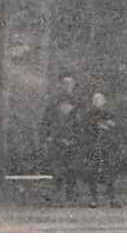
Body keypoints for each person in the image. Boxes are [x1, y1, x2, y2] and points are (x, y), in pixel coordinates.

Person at [42, 71, 84, 205]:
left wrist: (79, 136)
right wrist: (47, 136)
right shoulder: (54, 102)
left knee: (72, 168)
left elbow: (82, 121)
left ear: (74, 84)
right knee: (57, 169)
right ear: (60, 85)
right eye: (64, 83)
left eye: (70, 83)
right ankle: (57, 198)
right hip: (57, 139)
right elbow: (46, 120)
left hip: (74, 139)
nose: (67, 86)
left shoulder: (79, 101)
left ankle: (72, 197)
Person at [83, 90, 121, 207]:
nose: (97, 102)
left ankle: (112, 198)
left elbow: (116, 127)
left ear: (104, 101)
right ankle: (94, 198)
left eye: (99, 99)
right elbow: (85, 129)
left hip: (107, 146)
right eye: (94, 100)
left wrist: (106, 126)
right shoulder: (88, 115)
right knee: (93, 172)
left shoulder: (110, 113)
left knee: (110, 171)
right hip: (93, 146)